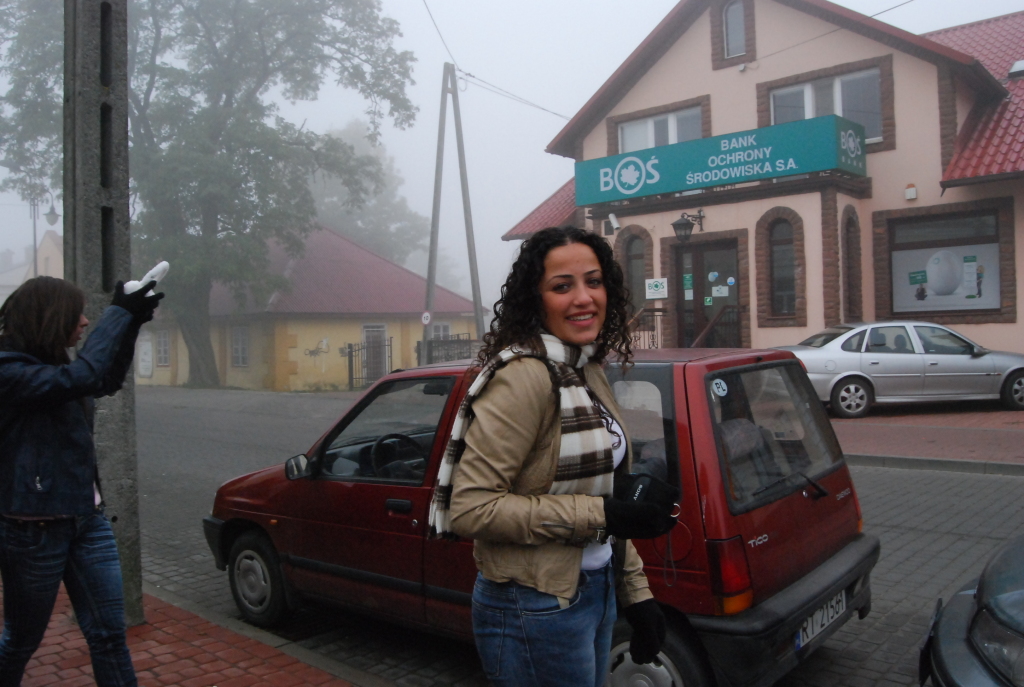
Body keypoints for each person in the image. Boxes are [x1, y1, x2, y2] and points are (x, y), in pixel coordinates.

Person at [430, 226, 678, 687]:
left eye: (594, 281)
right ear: (536, 299)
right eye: (563, 286)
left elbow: (601, 494)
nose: (584, 297)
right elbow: (471, 507)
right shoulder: (524, 377)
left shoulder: (583, 367)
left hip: (596, 587)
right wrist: (600, 514)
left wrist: (636, 594)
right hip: (534, 604)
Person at [0, 276, 163, 687]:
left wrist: (132, 322)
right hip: (33, 529)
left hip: (88, 521)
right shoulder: (7, 370)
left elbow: (104, 379)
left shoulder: (55, 365)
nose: (86, 322)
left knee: (109, 636)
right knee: (21, 640)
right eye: (78, 315)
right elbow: (83, 377)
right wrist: (118, 313)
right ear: (49, 318)